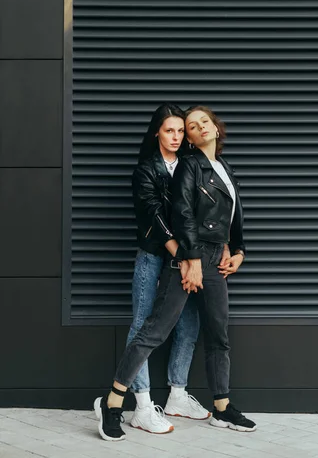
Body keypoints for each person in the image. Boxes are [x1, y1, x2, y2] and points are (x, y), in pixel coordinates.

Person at [94, 106, 256, 441]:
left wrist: (238, 251)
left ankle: (221, 407)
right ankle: (115, 402)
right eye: (185, 128)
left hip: (212, 259)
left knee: (214, 333)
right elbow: (181, 213)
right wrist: (189, 258)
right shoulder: (187, 165)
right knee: (151, 329)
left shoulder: (223, 167)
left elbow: (233, 215)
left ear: (214, 128)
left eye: (195, 126)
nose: (185, 133)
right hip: (177, 257)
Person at [127, 104, 209, 434]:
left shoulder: (193, 166)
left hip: (188, 258)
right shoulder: (146, 170)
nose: (175, 137)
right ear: (156, 133)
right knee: (142, 326)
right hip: (154, 257)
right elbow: (155, 219)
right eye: (168, 130)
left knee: (189, 322)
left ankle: (177, 394)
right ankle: (143, 406)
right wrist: (184, 256)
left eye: (179, 131)